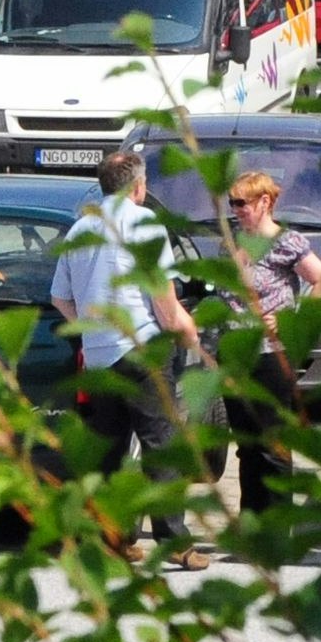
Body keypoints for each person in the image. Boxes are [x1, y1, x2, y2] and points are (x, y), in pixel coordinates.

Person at [50, 151, 204, 537]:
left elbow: (59, 297)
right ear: (138, 187)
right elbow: (163, 301)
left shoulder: (79, 228)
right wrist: (185, 334)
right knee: (160, 445)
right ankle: (174, 539)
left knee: (110, 452)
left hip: (100, 356)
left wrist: (89, 327)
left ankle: (115, 537)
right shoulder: (145, 223)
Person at [223, 171, 321, 520]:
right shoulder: (237, 240)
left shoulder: (286, 242)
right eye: (232, 203)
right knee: (247, 445)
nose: (236, 210)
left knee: (272, 444)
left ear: (265, 202)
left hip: (271, 356)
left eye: (242, 203)